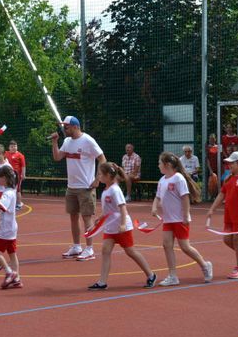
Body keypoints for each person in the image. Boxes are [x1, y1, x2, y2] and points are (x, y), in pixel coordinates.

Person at [88, 162, 157, 290]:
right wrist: (99, 219)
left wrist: (124, 224)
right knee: (105, 250)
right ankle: (102, 281)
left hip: (121, 227)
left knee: (130, 251)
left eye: (100, 174)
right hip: (110, 227)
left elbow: (122, 208)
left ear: (108, 175)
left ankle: (151, 275)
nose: (98, 176)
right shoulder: (106, 190)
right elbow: (109, 210)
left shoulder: (115, 190)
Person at [152, 152, 213, 286]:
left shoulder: (178, 178)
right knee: (166, 245)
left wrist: (186, 215)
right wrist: (154, 207)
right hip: (168, 220)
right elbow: (158, 196)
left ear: (167, 165)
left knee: (185, 246)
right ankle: (173, 275)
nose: (158, 166)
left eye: (160, 163)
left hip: (179, 219)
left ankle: (205, 264)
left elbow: (185, 197)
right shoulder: (162, 180)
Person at [50, 116, 106, 261]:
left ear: (75, 126)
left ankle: (89, 249)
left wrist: (98, 178)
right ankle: (76, 246)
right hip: (71, 187)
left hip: (85, 187)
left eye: (66, 126)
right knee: (73, 217)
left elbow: (102, 158)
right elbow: (57, 157)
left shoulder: (88, 140)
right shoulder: (67, 141)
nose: (64, 128)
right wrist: (55, 142)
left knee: (87, 218)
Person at [207, 151, 238, 279]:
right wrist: (212, 208)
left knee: (237, 240)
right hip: (229, 216)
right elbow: (221, 194)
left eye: (232, 163)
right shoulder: (229, 179)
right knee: (227, 239)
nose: (229, 165)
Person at [5, 140, 26, 210]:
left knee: (17, 190)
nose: (13, 148)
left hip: (17, 176)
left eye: (15, 146)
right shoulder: (6, 153)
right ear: (9, 147)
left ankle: (19, 204)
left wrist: (23, 174)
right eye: (12, 146)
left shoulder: (20, 155)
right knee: (8, 189)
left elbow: (23, 166)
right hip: (7, 175)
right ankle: (10, 203)